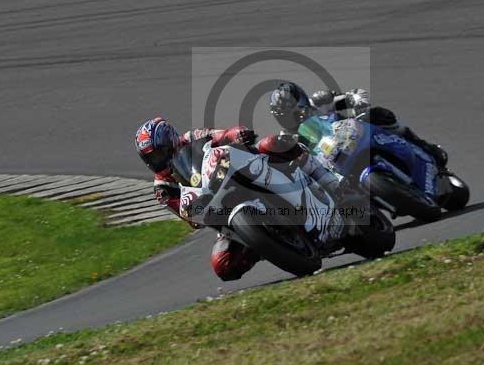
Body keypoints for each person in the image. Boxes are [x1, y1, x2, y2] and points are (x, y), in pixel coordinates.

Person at [135, 116, 349, 281]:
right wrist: (192, 209)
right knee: (223, 266)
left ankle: (330, 180)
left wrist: (238, 135)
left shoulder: (193, 137)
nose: (156, 160)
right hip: (221, 212)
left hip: (236, 172)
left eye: (158, 153)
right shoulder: (162, 188)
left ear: (169, 141)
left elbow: (224, 135)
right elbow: (188, 217)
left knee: (272, 143)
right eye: (150, 158)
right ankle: (270, 246)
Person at [268, 82, 449, 169]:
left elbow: (354, 94)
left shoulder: (319, 101)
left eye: (295, 111)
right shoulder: (286, 138)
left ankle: (422, 145)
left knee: (379, 114)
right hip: (334, 161)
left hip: (353, 135)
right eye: (285, 117)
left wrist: (359, 102)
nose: (293, 119)